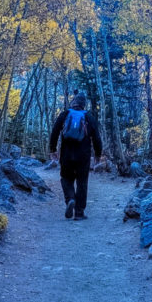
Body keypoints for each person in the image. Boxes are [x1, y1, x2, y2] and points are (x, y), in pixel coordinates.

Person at [49, 91, 103, 220]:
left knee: (65, 178)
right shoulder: (89, 117)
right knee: (82, 182)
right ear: (84, 105)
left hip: (66, 154)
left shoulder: (65, 114)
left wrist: (53, 149)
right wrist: (98, 155)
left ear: (73, 102)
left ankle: (70, 199)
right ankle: (79, 213)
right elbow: (96, 137)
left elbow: (55, 131)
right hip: (83, 155)